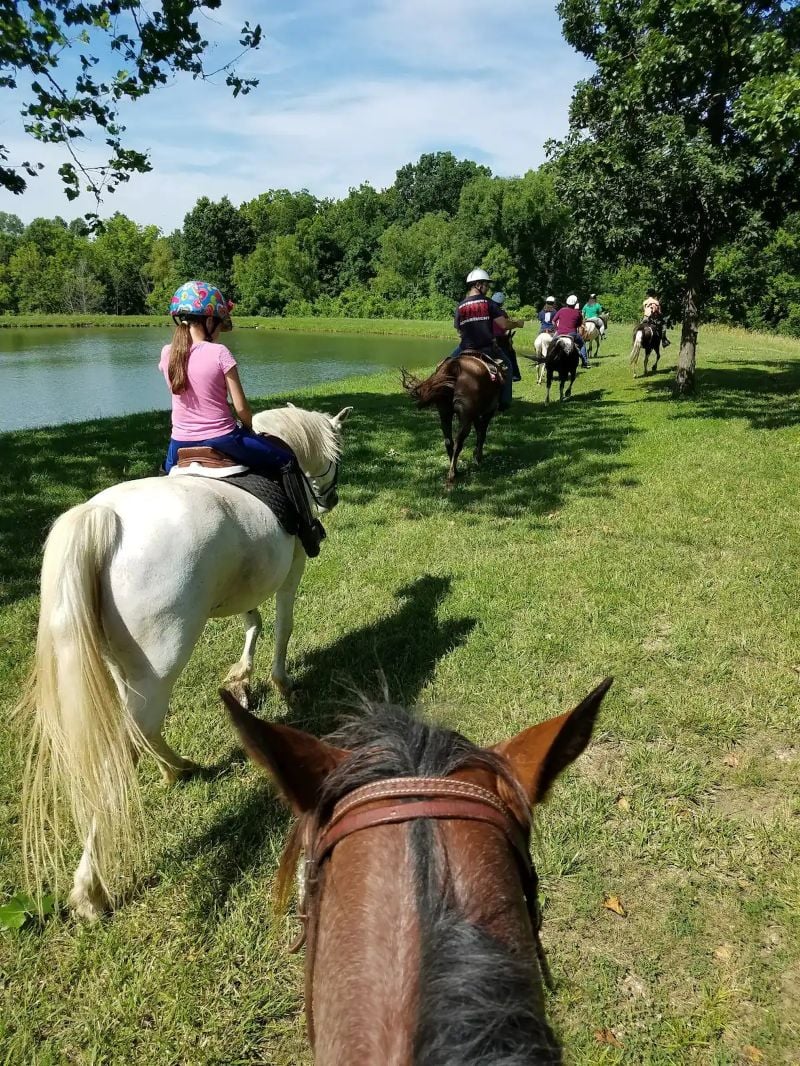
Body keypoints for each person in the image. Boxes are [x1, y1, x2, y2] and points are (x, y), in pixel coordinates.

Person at [160, 280, 325, 556]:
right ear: (210, 320)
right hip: (224, 438)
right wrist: (249, 427)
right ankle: (308, 530)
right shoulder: (219, 353)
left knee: (166, 478)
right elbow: (241, 407)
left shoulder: (167, 353)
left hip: (178, 443)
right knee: (286, 460)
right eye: (220, 323)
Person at [452, 268, 516, 409]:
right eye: (486, 285)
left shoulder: (460, 306)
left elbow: (459, 329)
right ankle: (505, 402)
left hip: (465, 348)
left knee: (446, 365)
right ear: (478, 284)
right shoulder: (488, 303)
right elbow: (504, 325)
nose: (488, 288)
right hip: (486, 348)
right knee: (508, 366)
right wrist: (517, 323)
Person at [490, 291, 524, 381]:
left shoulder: (487, 311)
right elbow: (506, 326)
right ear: (501, 303)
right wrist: (517, 323)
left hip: (487, 337)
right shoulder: (502, 313)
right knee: (511, 354)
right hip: (499, 339)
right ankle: (515, 375)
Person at [553, 294, 590, 368]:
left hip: (560, 333)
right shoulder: (578, 313)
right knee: (582, 344)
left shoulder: (561, 310)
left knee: (552, 344)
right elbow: (579, 324)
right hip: (572, 334)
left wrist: (557, 329)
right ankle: (584, 362)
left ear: (567, 303)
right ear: (575, 304)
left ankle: (548, 360)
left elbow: (553, 321)